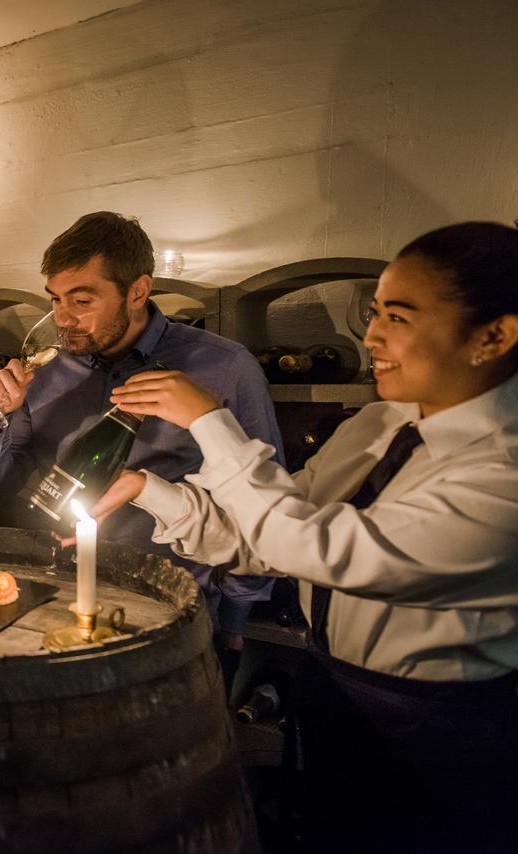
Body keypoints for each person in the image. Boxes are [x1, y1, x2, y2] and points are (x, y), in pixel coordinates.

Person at [99, 221, 518, 851]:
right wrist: (150, 490)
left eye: (398, 318)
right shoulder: (376, 424)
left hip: (441, 734)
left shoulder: (503, 473)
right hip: (335, 692)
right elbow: (267, 537)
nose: (370, 337)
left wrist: (211, 422)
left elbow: (321, 550)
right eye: (373, 313)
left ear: (494, 335)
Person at [0, 212, 283, 678]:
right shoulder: (44, 372)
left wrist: (235, 617)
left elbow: (264, 499)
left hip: (172, 610)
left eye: (82, 300)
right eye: (55, 300)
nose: (63, 318)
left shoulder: (224, 368)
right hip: (54, 602)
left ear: (137, 291)